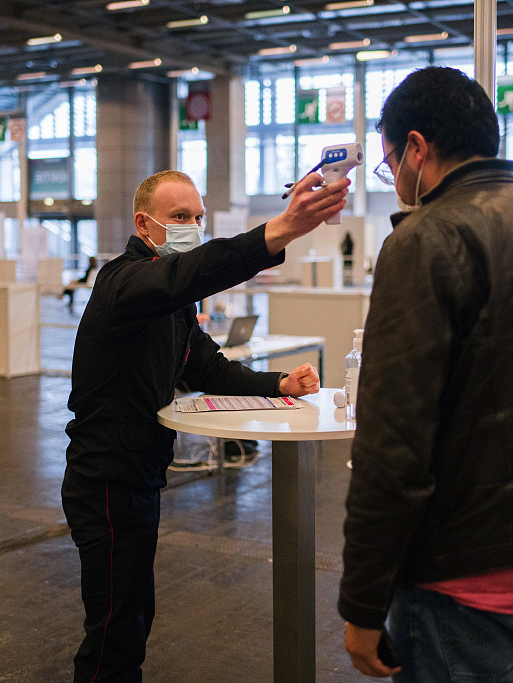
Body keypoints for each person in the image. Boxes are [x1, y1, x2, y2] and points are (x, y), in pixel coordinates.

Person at [338, 67, 513, 682]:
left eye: (390, 163)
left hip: (463, 572)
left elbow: (394, 442)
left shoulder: (426, 239)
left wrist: (362, 601)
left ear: (417, 148)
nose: (395, 181)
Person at [62, 168, 348, 681]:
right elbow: (186, 274)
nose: (193, 227)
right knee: (113, 634)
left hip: (139, 473)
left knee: (132, 617)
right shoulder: (124, 282)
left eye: (198, 217)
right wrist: (280, 229)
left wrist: (279, 384)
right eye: (179, 217)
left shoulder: (172, 303)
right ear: (143, 224)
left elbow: (207, 367)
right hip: (106, 478)